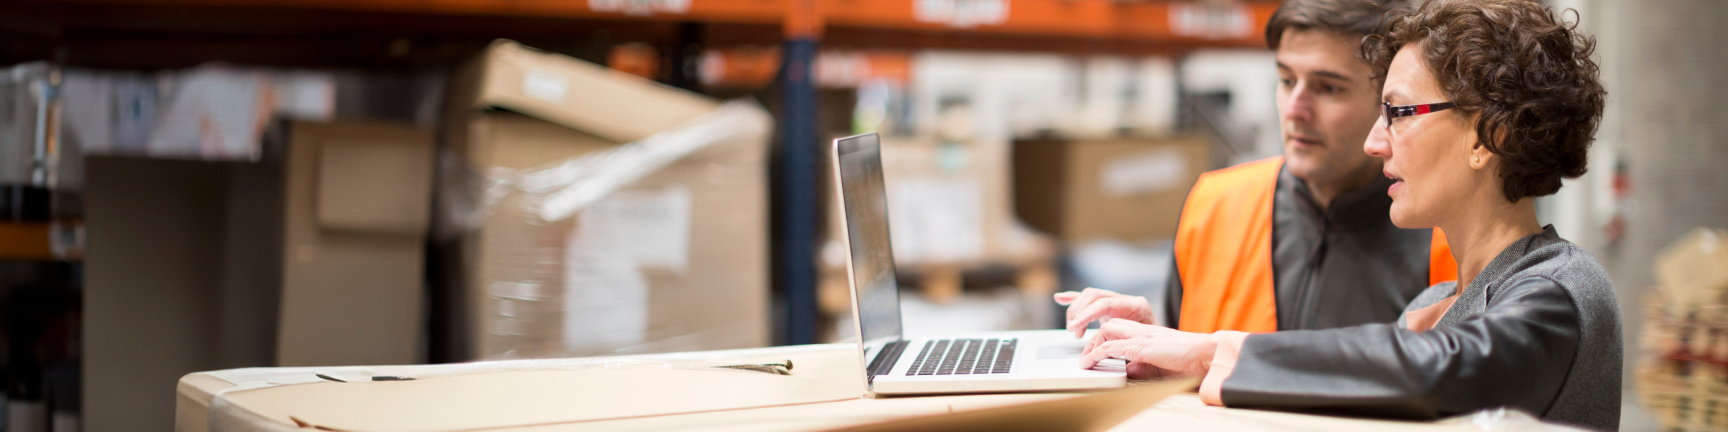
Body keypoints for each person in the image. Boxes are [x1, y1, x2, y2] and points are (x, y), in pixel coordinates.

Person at [1076, 0, 1621, 429]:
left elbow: (1439, 369)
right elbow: (1341, 385)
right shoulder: (1435, 304)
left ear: (1487, 136)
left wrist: (1211, 350)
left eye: (1398, 114)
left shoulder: (1561, 289)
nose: (1374, 142)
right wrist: (1172, 354)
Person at [1057, 0, 1456, 337]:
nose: (1295, 109)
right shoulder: (1215, 206)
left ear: (1387, 102)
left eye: (1328, 87)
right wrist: (1153, 346)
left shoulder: (1445, 234)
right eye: (1286, 80)